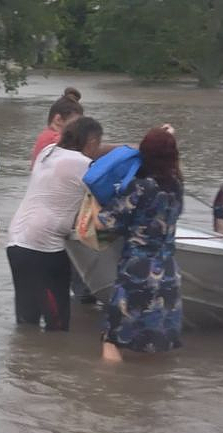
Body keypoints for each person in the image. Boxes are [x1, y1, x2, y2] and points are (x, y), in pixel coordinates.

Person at [95, 126, 184, 362]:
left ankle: (108, 392)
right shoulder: (177, 186)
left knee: (112, 338)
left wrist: (92, 203)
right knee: (155, 345)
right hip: (168, 275)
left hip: (138, 273)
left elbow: (104, 223)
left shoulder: (141, 187)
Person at [7, 117, 103, 331]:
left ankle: (25, 360)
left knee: (26, 321)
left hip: (16, 242)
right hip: (43, 248)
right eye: (98, 143)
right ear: (92, 141)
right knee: (57, 325)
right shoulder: (84, 165)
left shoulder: (48, 151)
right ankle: (52, 361)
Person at [30, 87, 84, 168]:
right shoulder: (56, 140)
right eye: (75, 123)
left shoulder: (45, 135)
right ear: (58, 119)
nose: (78, 127)